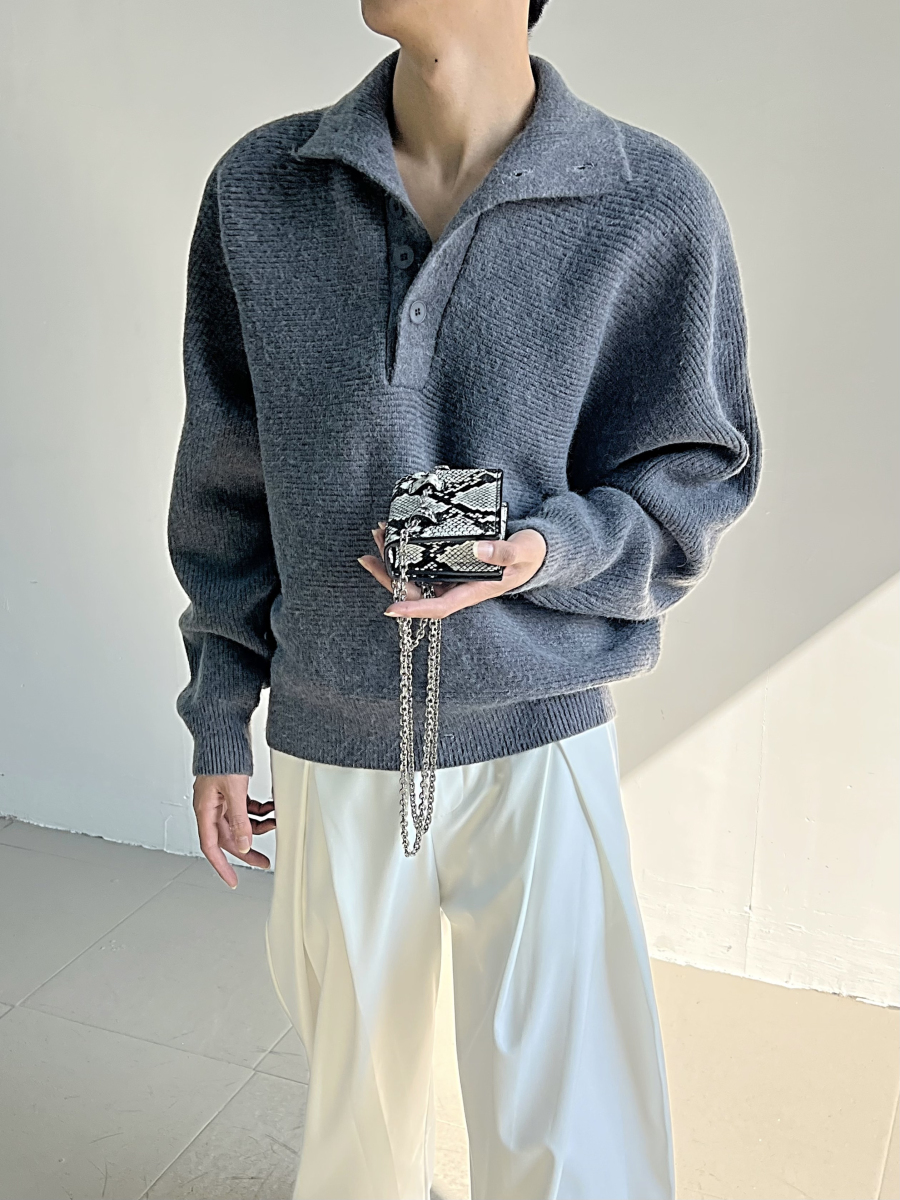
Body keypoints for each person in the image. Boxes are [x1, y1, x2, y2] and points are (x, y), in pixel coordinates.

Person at [166, 0, 761, 1196]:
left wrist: (540, 552)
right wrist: (221, 710)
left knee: (573, 1135)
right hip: (331, 738)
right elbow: (226, 480)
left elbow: (697, 473)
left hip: (542, 733)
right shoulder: (261, 190)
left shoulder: (649, 201)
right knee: (357, 1136)